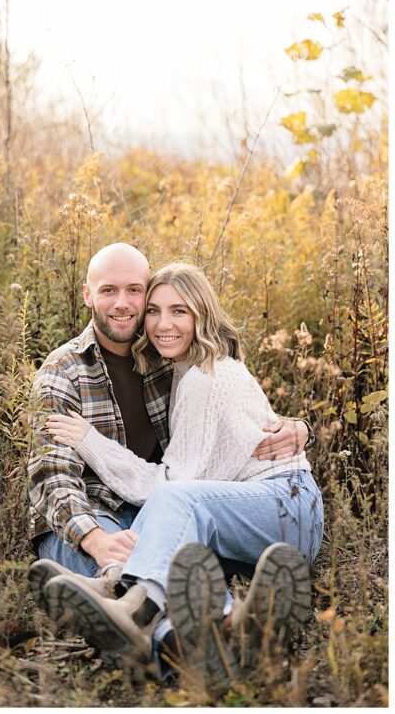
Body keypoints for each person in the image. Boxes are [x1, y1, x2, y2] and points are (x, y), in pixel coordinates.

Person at [42, 262, 322, 679]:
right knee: (184, 554)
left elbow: (173, 484)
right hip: (243, 521)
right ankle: (216, 639)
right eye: (154, 311)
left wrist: (88, 439)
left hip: (285, 506)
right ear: (89, 295)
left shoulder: (204, 377)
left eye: (179, 311)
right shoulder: (180, 366)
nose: (162, 324)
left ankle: (131, 598)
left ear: (201, 315)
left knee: (175, 500)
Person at [26, 243, 310, 578]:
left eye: (134, 290)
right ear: (88, 294)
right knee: (115, 567)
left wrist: (300, 428)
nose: (121, 303)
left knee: (154, 568)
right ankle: (214, 617)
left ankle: (205, 617)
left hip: (161, 504)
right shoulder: (62, 372)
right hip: (93, 510)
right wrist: (94, 538)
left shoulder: (173, 355)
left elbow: (237, 419)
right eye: (108, 291)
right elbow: (52, 476)